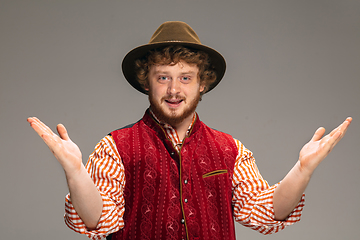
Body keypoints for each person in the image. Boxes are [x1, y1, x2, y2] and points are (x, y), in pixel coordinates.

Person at [27, 21, 352, 240]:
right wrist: (75, 172)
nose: (173, 89)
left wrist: (303, 170)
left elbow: (265, 213)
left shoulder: (230, 149)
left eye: (185, 77)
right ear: (147, 82)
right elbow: (100, 221)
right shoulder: (116, 146)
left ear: (202, 84)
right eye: (162, 76)